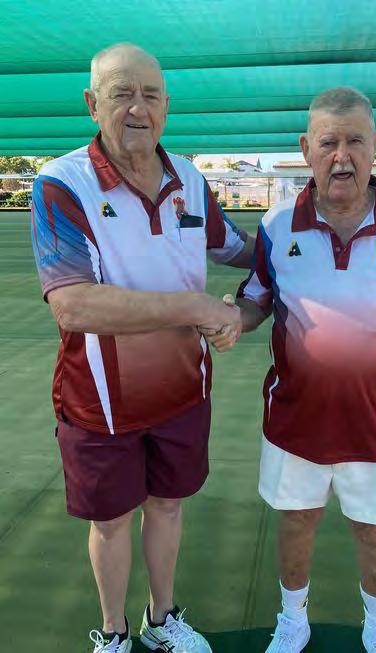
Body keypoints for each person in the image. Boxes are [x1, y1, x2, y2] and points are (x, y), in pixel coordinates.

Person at [30, 43, 254, 653]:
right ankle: (114, 631)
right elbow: (74, 305)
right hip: (99, 401)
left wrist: (302, 248)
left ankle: (162, 619)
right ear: (92, 103)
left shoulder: (189, 180)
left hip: (183, 390)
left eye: (150, 95)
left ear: (166, 105)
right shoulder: (62, 183)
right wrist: (197, 308)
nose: (138, 108)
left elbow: (237, 249)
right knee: (110, 522)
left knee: (168, 507)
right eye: (121, 93)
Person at [207, 87, 376, 653]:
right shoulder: (277, 224)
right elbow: (258, 299)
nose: (342, 156)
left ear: (375, 145)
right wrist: (231, 319)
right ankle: (293, 620)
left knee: (374, 528)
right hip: (296, 417)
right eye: (329, 142)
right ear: (306, 148)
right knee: (296, 521)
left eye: (355, 141)